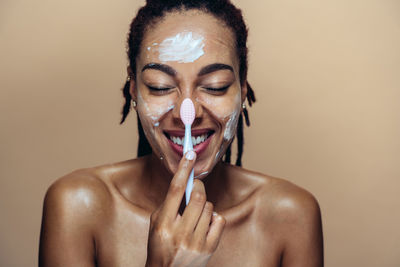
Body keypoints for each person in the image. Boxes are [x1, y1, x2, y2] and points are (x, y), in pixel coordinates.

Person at [39, 0, 323, 266]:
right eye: (160, 86)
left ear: (243, 91)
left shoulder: (291, 216)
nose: (187, 112)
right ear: (134, 90)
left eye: (215, 85)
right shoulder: (78, 207)